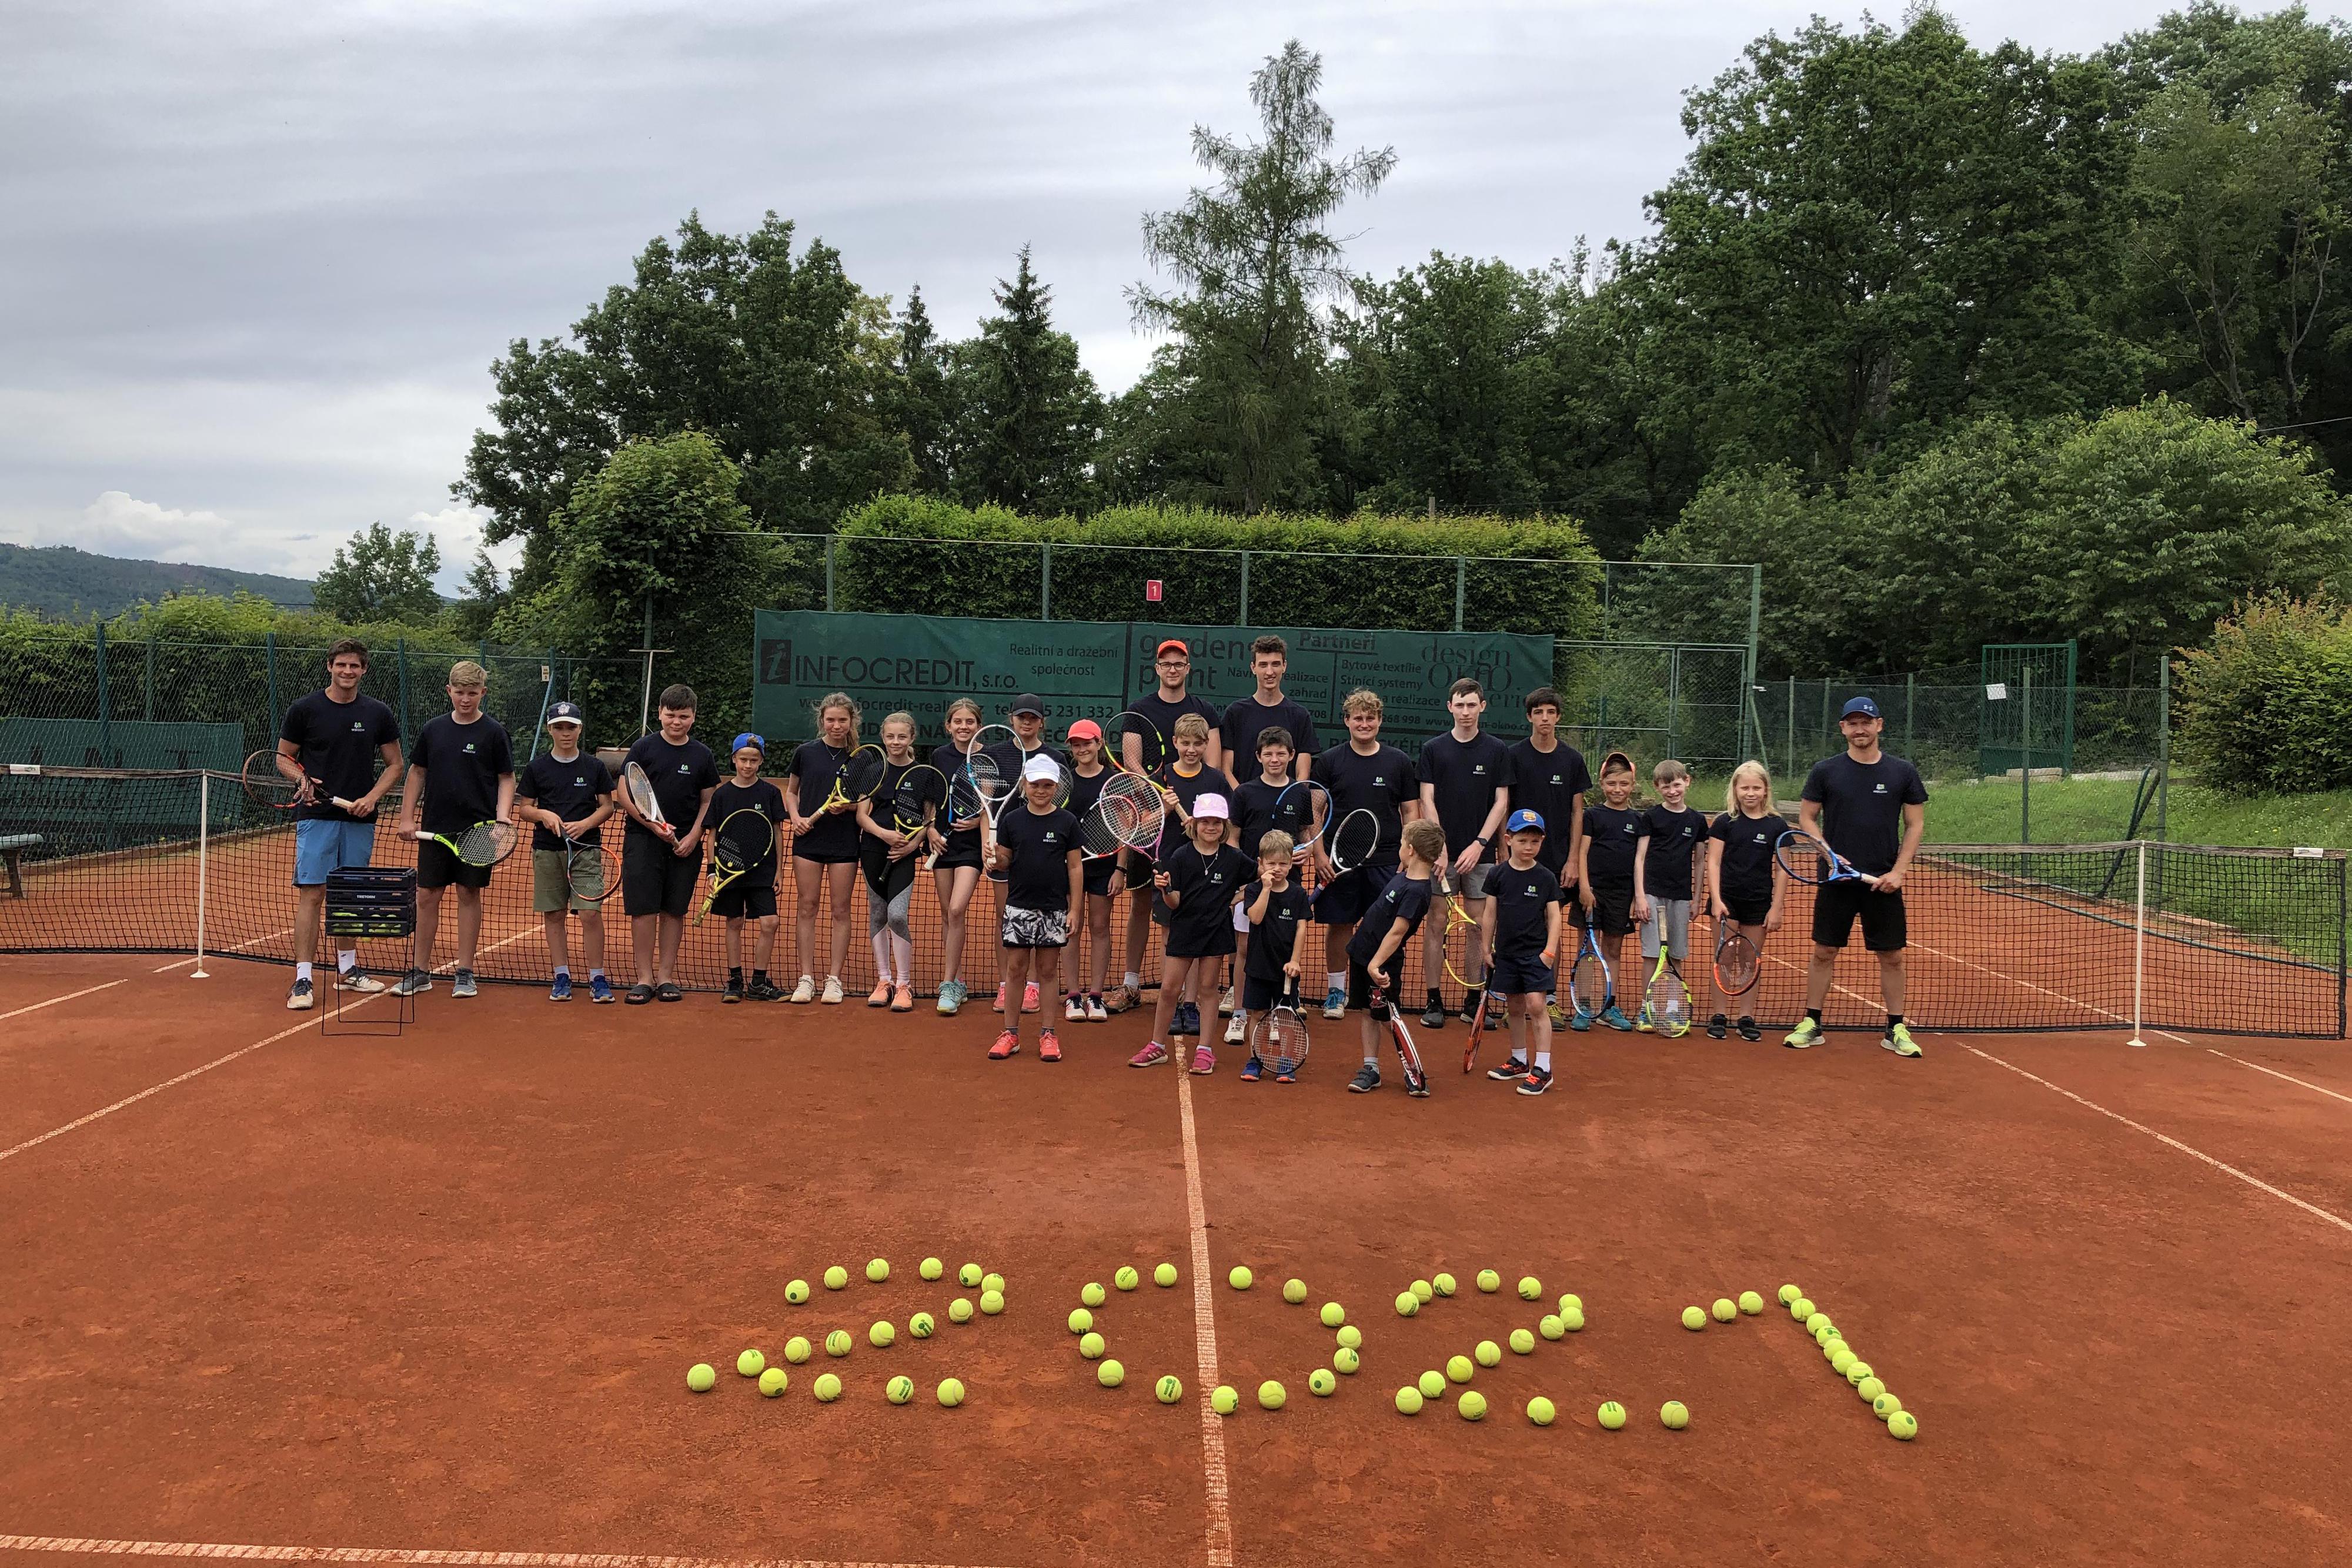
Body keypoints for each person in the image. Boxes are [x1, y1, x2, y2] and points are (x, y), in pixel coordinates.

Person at [1786, 696, 1929, 1058]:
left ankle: (1896, 1027)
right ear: (1843, 729)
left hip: (1885, 882)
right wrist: (1829, 855)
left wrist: (1899, 872)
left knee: (1892, 956)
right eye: (1852, 723)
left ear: (1879, 725)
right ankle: (1812, 1023)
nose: (1859, 729)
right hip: (1837, 881)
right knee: (1824, 951)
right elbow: (1806, 819)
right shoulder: (1825, 771)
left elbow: (1915, 825)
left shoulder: (1903, 772)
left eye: (1865, 722)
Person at [275, 638, 403, 1009]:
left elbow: (396, 764)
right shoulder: (305, 709)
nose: (348, 671)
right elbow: (284, 757)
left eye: (355, 666)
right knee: (313, 893)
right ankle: (303, 979)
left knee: (348, 896)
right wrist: (302, 780)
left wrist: (372, 798)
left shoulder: (378, 712)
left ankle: (348, 972)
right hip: (317, 816)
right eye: (341, 665)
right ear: (329, 666)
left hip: (359, 819)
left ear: (364, 671)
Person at [1110, 639, 1224, 1014]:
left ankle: (1188, 999)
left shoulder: (1204, 710)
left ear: (1188, 667)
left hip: (1198, 828)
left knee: (1192, 906)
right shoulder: (1138, 710)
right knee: (1144, 903)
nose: (1172, 669)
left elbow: (1214, 767)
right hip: (1149, 823)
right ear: (1157, 668)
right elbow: (1132, 764)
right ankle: (1131, 984)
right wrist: (1156, 804)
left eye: (1179, 663)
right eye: (1166, 664)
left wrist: (1196, 815)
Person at [393, 660, 514, 998]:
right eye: (459, 693)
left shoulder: (494, 732)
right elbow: (416, 773)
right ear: (449, 691)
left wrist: (501, 817)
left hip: (479, 832)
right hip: (436, 829)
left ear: (483, 694)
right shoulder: (433, 729)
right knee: (427, 895)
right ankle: (420, 971)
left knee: (468, 894)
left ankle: (465, 972)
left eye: (472, 693)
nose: (465, 699)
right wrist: (407, 818)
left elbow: (507, 777)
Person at [1309, 688, 1419, 1020]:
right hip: (1339, 861)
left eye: (1371, 718)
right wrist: (1319, 854)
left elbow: (1410, 811)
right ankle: (1336, 992)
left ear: (1380, 721)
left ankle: (1378, 989)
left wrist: (1409, 854)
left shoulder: (1398, 761)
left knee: (1384, 926)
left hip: (1386, 860)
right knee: (1340, 924)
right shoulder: (1329, 761)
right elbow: (1316, 812)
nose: (1365, 723)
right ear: (1347, 721)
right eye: (1358, 718)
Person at [1416, 677, 1512, 1026]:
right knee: (1436, 923)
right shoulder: (1433, 749)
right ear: (1450, 707)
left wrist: (1480, 843)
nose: (1466, 711)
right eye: (1460, 705)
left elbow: (1502, 802)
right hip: (1439, 855)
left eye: (1473, 705)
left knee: (1477, 927)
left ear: (1482, 707)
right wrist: (1440, 846)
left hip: (1481, 856)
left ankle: (1474, 1001)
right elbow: (1427, 798)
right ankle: (1433, 1002)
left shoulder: (1497, 750)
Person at [1132, 793, 1250, 1072]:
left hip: (1215, 931)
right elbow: (1175, 903)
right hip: (1184, 930)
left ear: (1225, 827)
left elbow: (1258, 879)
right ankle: (1157, 1046)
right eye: (1205, 822)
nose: (1211, 827)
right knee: (1170, 989)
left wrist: (1234, 899)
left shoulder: (1234, 858)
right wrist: (1166, 890)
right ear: (1194, 824)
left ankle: (1205, 1050)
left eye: (1217, 822)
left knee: (1209, 990)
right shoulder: (1181, 856)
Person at [617, 684, 718, 1004]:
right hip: (642, 841)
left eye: (683, 716)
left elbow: (708, 802)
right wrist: (652, 825)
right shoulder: (643, 749)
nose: (676, 722)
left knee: (674, 911)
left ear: (694, 717)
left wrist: (693, 836)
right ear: (660, 713)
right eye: (670, 715)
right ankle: (644, 979)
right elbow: (624, 794)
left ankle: (666, 978)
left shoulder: (702, 755)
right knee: (644, 910)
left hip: (685, 846)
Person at [514, 701, 616, 1003]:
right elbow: (524, 809)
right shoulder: (537, 768)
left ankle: (598, 977)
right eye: (559, 727)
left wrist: (585, 824)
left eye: (570, 727)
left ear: (579, 729)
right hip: (547, 851)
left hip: (586, 850)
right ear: (550, 730)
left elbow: (607, 807)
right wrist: (544, 815)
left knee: (589, 913)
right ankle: (562, 975)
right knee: (554, 913)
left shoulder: (594, 767)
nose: (565, 733)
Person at [1221, 725, 1316, 1045]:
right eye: (1268, 754)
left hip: (1288, 890)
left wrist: (1305, 852)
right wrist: (1253, 875)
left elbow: (1305, 835)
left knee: (1281, 949)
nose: (1274, 759)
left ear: (1291, 756)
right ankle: (1239, 1012)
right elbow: (1233, 841)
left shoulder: (1301, 793)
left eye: (1281, 754)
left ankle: (1276, 1012)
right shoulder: (1245, 793)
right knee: (1245, 950)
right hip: (1253, 887)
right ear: (1258, 756)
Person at [1502, 686, 1589, 1021]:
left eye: (1551, 713)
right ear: (1529, 717)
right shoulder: (1514, 756)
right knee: (1518, 924)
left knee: (1552, 926)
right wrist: (1503, 851)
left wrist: (1571, 859)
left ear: (1558, 717)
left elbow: (1577, 813)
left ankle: (1548, 998)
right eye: (1539, 712)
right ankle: (1515, 998)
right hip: (1518, 859)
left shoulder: (1571, 760)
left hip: (1556, 861)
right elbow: (1505, 805)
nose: (1545, 719)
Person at [988, 754, 1083, 1062]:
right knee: (1015, 969)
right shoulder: (1012, 821)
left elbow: (1074, 868)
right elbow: (1004, 861)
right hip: (1019, 907)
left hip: (1054, 909)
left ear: (1055, 787)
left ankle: (1048, 1034)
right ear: (1024, 786)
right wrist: (994, 859)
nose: (1041, 790)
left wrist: (1074, 909)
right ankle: (1011, 1033)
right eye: (1035, 785)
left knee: (1047, 970)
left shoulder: (1067, 822)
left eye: (1047, 785)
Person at [1344, 817, 1445, 1096]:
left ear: (1411, 850)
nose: (1400, 847)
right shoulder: (1406, 876)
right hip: (1364, 954)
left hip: (1382, 963)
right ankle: (1371, 1068)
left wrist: (1376, 963)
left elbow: (1398, 932)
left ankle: (1413, 1068)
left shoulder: (1416, 890)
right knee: (1368, 1012)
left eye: (1403, 843)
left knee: (1388, 1017)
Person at [984, 694, 1070, 1017]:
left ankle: (1034, 986)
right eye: (1022, 717)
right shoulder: (995, 755)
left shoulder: (1055, 757)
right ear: (1011, 719)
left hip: (1044, 851)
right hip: (1006, 844)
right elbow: (987, 806)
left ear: (1042, 722)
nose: (1027, 722)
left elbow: (1061, 806)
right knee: (1005, 916)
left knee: (1042, 916)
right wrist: (987, 844)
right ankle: (1008, 985)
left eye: (1033, 717)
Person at [782, 692, 864, 1005]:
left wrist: (850, 805)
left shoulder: (860, 757)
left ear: (851, 721)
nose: (836, 725)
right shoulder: (805, 752)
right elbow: (791, 792)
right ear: (822, 721)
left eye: (842, 720)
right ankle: (806, 978)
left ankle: (834, 979)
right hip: (808, 839)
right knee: (807, 906)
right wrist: (796, 817)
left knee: (841, 910)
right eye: (831, 719)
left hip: (844, 840)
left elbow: (864, 802)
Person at [856, 711, 937, 1012]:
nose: (895, 742)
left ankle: (904, 984)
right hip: (874, 850)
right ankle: (884, 981)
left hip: (906, 853)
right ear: (883, 737)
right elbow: (862, 815)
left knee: (898, 915)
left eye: (902, 736)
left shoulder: (924, 774)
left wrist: (911, 845)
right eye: (890, 736)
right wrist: (885, 835)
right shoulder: (873, 771)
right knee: (878, 913)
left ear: (912, 738)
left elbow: (929, 818)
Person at [1479, 810, 1563, 1094]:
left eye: (1535, 842)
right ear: (1508, 839)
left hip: (1536, 955)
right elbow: (1490, 914)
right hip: (1506, 953)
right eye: (1523, 840)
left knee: (1537, 1006)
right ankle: (1519, 1060)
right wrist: (1486, 947)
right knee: (1514, 1006)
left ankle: (1543, 1067)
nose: (1529, 847)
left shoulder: (1546, 877)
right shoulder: (1497, 874)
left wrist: (1549, 952)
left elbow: (1554, 917)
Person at [1706, 760, 1788, 1042]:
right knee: (1725, 957)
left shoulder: (1778, 825)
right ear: (1735, 790)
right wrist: (1716, 900)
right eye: (1745, 788)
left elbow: (1782, 870)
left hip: (1759, 902)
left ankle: (1746, 1017)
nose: (1750, 793)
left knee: (1750, 960)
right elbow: (1713, 862)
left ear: (1766, 790)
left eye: (1756, 787)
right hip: (1726, 901)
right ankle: (1719, 1015)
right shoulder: (1724, 822)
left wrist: (1776, 907)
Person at [708, 734, 787, 1003]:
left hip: (762, 870)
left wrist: (779, 870)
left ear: (761, 761)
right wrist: (711, 869)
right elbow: (712, 835)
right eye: (743, 759)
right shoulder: (722, 795)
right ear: (733, 759)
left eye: (754, 760)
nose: (748, 765)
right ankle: (734, 980)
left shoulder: (771, 793)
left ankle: (758, 982)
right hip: (728, 869)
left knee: (770, 922)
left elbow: (778, 832)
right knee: (735, 922)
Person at [1632, 759, 1705, 1033]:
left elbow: (1699, 862)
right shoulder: (1650, 817)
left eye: (1677, 784)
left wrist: (1697, 898)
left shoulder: (1697, 821)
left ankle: (1674, 1011)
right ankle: (1646, 1011)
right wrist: (1640, 896)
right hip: (1652, 893)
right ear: (1657, 787)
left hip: (1681, 896)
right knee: (1652, 954)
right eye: (1666, 786)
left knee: (1676, 955)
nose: (1672, 791)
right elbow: (1640, 858)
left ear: (1687, 781)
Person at [1573, 750, 1644, 1031]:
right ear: (1602, 784)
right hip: (1592, 892)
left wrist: (1634, 898)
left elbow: (1641, 861)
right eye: (1612, 784)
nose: (1618, 789)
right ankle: (1586, 1006)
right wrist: (1585, 887)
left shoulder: (1638, 821)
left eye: (1624, 784)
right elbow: (1582, 852)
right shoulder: (1593, 816)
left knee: (1613, 951)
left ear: (1632, 785)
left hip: (1621, 895)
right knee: (1587, 950)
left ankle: (1608, 1006)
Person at [1235, 828, 1312, 1082]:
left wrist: (1296, 960)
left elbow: (1302, 927)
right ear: (1261, 863)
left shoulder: (1299, 894)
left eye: (1283, 863)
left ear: (1291, 863)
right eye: (1271, 863)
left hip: (1286, 969)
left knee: (1287, 1018)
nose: (1277, 868)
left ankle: (1286, 1062)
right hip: (1258, 965)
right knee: (1256, 1015)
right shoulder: (1254, 891)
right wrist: (1266, 888)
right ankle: (1256, 1059)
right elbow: (1255, 918)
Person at [1061, 718, 1125, 1022]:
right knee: (1071, 929)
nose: (1082, 749)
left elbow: (1126, 828)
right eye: (1076, 744)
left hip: (1104, 866)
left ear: (1099, 744)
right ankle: (1073, 996)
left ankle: (1096, 996)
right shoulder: (1065, 782)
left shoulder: (1114, 781)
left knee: (1100, 928)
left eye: (1087, 743)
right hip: (1069, 869)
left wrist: (1121, 869)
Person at [928, 698, 988, 1016]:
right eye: (958, 721)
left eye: (970, 722)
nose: (964, 727)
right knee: (946, 914)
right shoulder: (939, 756)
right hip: (941, 843)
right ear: (948, 725)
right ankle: (957, 980)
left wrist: (979, 821)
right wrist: (930, 832)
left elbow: (990, 804)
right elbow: (931, 799)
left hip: (970, 849)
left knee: (956, 908)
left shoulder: (987, 758)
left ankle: (948, 983)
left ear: (978, 725)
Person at [1218, 634, 1318, 786]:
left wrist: (1292, 799)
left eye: (1276, 664)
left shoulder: (1300, 715)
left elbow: (1303, 773)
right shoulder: (1235, 713)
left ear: (1284, 666)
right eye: (1263, 665)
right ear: (1254, 668)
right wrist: (1243, 799)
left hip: (1286, 807)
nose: (1270, 672)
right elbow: (1226, 769)